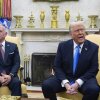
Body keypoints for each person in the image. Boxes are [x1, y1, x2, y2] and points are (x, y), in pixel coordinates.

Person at [42, 21, 100, 100]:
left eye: (82, 30)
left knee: (94, 90)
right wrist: (65, 83)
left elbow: (93, 68)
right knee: (47, 85)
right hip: (66, 77)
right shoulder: (63, 46)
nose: (80, 33)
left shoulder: (93, 47)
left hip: (85, 78)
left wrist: (78, 83)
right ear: (71, 34)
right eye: (77, 30)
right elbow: (57, 66)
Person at [0, 24, 21, 96]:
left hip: (11, 75)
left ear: (5, 34)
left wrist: (10, 76)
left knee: (17, 83)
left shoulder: (13, 46)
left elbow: (17, 63)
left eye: (0, 31)